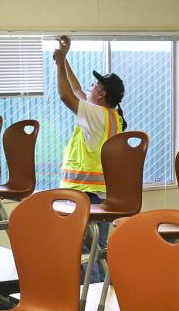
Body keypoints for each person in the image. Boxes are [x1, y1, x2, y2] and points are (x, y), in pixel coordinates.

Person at [53, 35, 126, 279]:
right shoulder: (110, 116)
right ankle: (101, 304)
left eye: (95, 86)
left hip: (87, 193)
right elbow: (76, 89)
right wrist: (63, 60)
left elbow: (66, 95)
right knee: (96, 249)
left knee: (85, 251)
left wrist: (59, 63)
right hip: (99, 193)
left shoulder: (95, 116)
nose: (90, 87)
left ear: (102, 94)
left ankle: (91, 305)